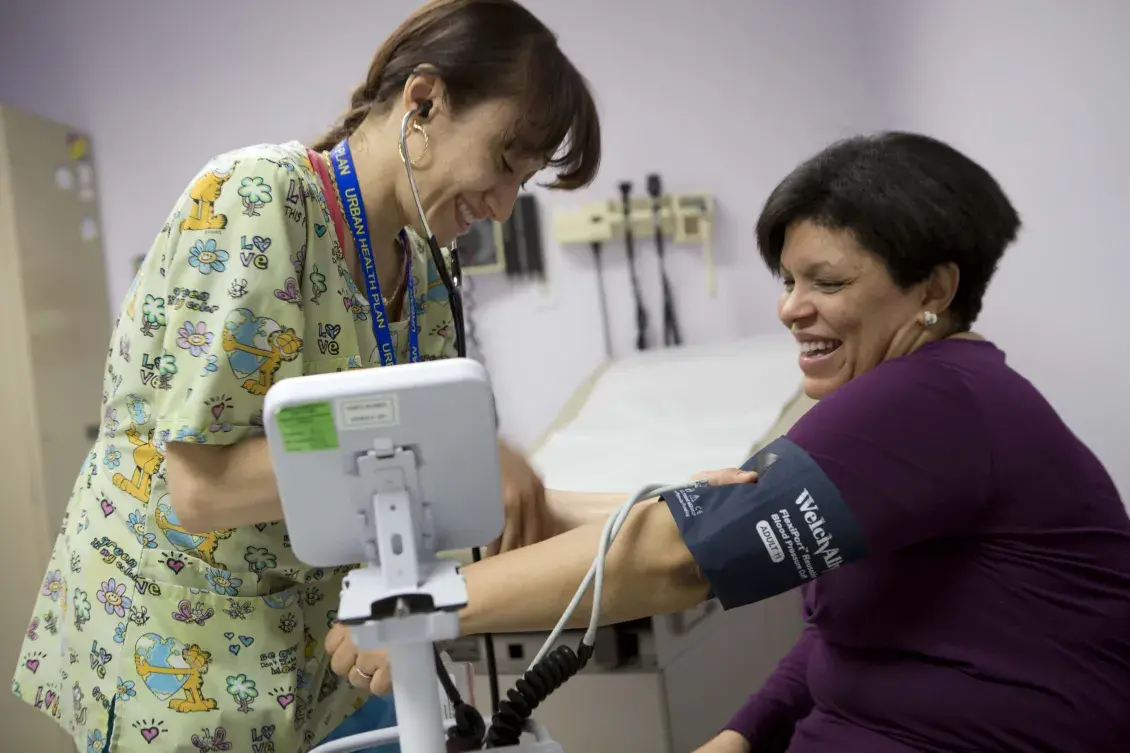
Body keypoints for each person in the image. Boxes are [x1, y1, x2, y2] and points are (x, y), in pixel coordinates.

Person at [329, 131, 1130, 752]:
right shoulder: (932, 400)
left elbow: (678, 554)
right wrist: (745, 729)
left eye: (828, 282)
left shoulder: (929, 399)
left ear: (935, 289)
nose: (790, 309)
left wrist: (413, 608)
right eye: (788, 280)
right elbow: (842, 634)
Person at [10, 2, 600, 752]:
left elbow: (413, 484)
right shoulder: (258, 202)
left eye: (527, 179)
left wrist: (657, 501)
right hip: (177, 652)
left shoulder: (424, 277)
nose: (504, 203)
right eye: (505, 162)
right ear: (424, 101)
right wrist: (437, 449)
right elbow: (200, 488)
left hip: (313, 656)